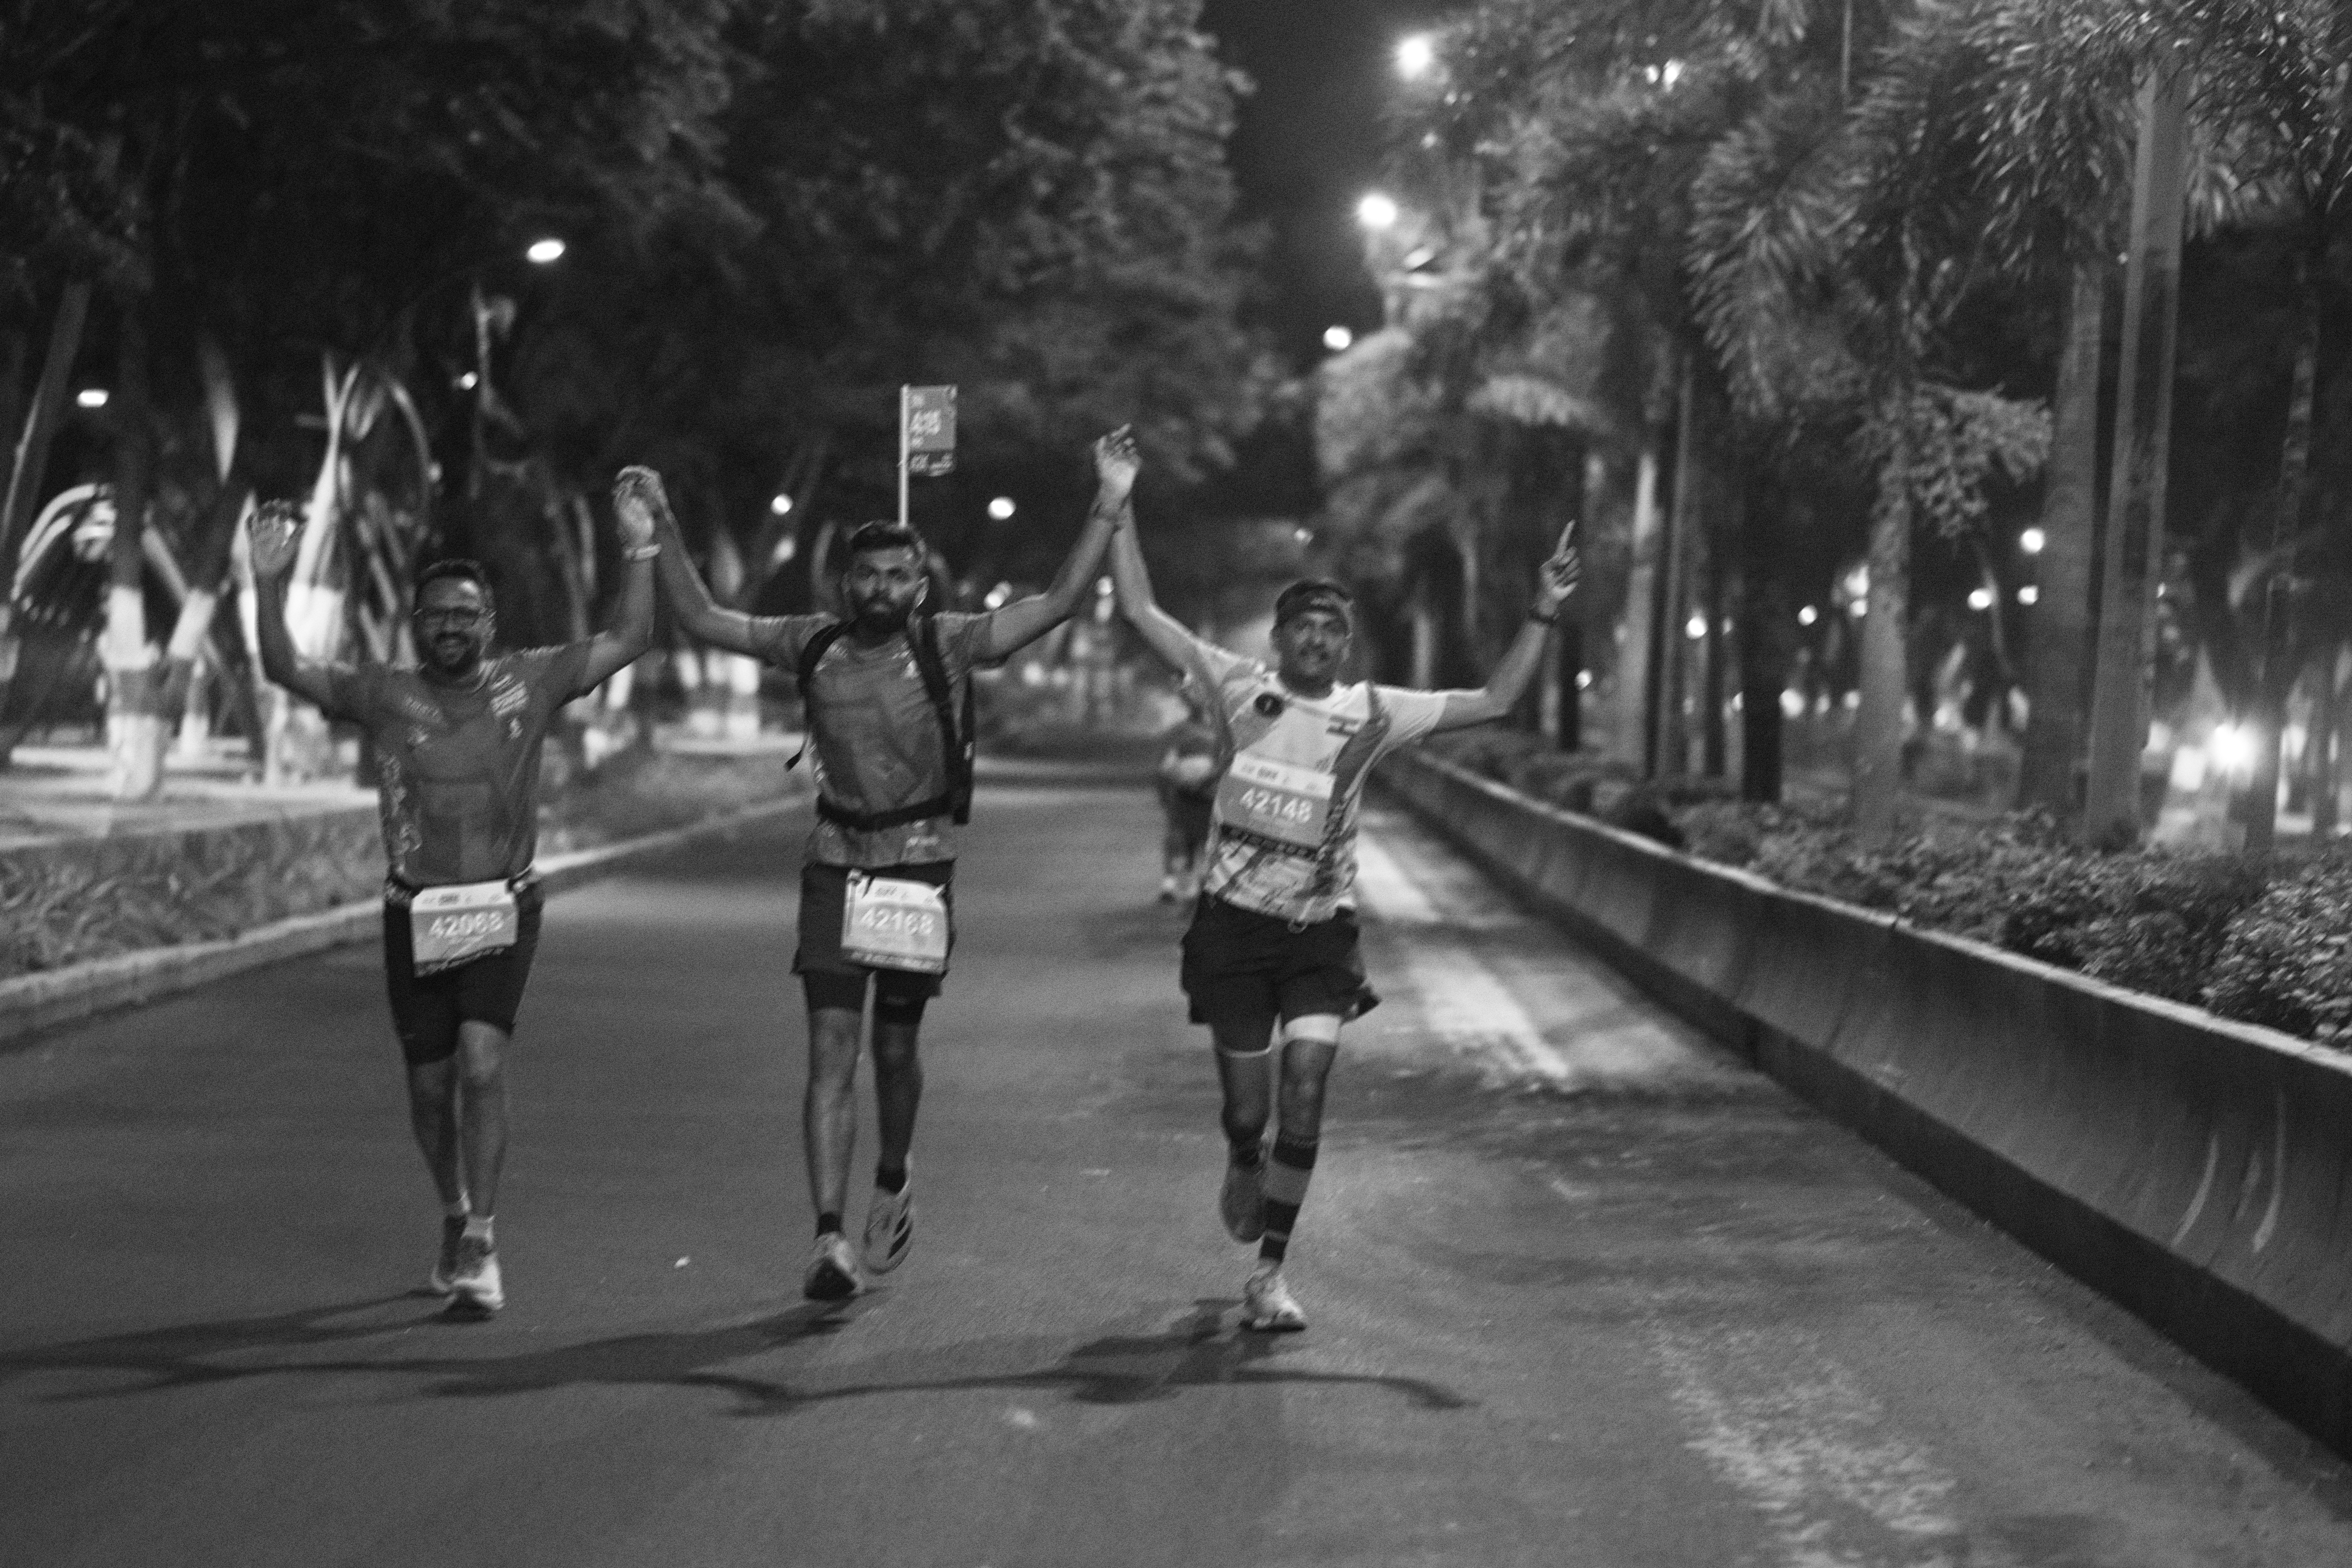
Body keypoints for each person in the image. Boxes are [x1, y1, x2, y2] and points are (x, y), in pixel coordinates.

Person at [652, 427, 1138, 1301]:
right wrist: (655, 524)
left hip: (918, 869)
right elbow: (697, 618)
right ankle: (829, 1237)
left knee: (895, 1048)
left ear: (920, 587)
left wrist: (1109, 497)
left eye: (897, 577)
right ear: (847, 584)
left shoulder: (949, 644)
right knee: (830, 1048)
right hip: (836, 862)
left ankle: (893, 1174)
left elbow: (1062, 601)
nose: (881, 589)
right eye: (867, 576)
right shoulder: (808, 640)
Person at [1108, 499, 1579, 1331]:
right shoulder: (1234, 685)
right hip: (1231, 929)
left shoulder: (1372, 710)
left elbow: (1495, 699)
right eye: (1304, 627)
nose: (1319, 640)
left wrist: (1544, 607)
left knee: (1307, 1088)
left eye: (1333, 629)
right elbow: (1143, 611)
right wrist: (1118, 504)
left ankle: (1270, 1272)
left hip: (1319, 934)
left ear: (1345, 646)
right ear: (1277, 641)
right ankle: (1243, 1154)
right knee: (1248, 1110)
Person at [251, 470, 660, 1314]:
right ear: (417, 624)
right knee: (429, 1088)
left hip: (503, 906)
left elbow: (629, 635)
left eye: (465, 614)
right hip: (414, 910)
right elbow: (283, 664)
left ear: (490, 623)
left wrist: (641, 545)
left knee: (482, 1061)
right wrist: (267, 576)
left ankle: (483, 1236)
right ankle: (452, 1212)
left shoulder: (532, 679)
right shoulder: (383, 693)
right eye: (436, 614)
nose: (450, 627)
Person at [1153, 696, 1219, 902]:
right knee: (1178, 837)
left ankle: (1194, 884)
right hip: (1182, 794)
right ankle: (1170, 884)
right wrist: (1170, 789)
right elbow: (1165, 766)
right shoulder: (1178, 731)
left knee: (1201, 840)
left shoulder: (1220, 732)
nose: (1201, 704)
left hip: (1208, 795)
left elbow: (1224, 762)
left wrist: (1208, 780)